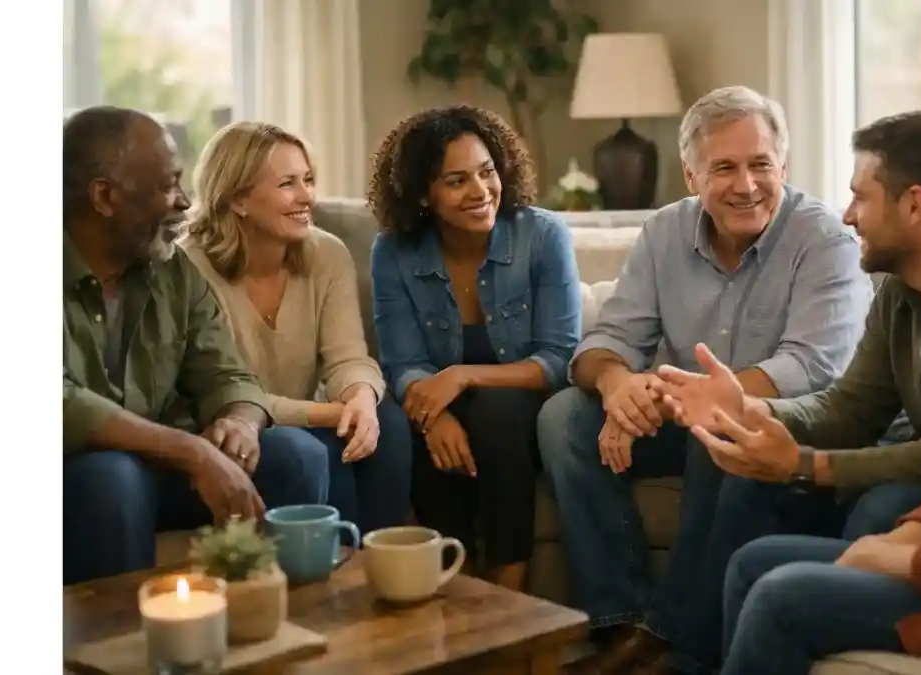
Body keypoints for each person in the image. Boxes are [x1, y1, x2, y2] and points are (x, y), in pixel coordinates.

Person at [652, 110, 921, 674]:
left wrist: (806, 464)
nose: (848, 214)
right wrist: (751, 408)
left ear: (914, 206)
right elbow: (851, 409)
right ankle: (695, 661)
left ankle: (823, 611)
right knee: (747, 478)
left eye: (861, 196)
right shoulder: (898, 290)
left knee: (884, 504)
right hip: (917, 464)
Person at [537, 86, 873, 674]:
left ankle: (672, 641)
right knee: (564, 417)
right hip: (686, 409)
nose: (747, 185)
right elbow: (608, 339)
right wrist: (618, 387)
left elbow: (812, 365)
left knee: (718, 425)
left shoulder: (825, 240)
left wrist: (695, 399)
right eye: (724, 168)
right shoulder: (664, 232)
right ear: (691, 176)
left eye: (760, 164)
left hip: (781, 424)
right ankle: (620, 623)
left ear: (783, 166)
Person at [63, 107, 328, 585]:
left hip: (165, 468)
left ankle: (279, 617)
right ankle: (122, 633)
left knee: (296, 453)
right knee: (112, 476)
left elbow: (227, 373)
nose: (185, 202)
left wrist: (239, 421)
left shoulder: (170, 270)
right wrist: (192, 452)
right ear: (104, 196)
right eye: (168, 185)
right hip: (81, 479)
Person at [368, 105, 582, 591]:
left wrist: (462, 376)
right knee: (408, 427)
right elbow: (403, 363)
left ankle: (510, 589)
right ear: (422, 193)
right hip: (442, 405)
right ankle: (456, 585)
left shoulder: (543, 236)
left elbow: (558, 358)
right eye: (456, 181)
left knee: (495, 411)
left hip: (523, 408)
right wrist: (435, 417)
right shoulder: (393, 251)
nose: (481, 191)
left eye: (487, 172)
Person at [179, 121, 412, 540]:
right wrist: (329, 413)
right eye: (287, 184)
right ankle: (339, 563)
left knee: (386, 422)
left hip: (306, 417)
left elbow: (347, 357)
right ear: (238, 199)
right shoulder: (189, 268)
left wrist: (360, 398)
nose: (307, 197)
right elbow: (222, 393)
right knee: (320, 446)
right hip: (237, 427)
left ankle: (382, 558)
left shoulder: (327, 254)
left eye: (308, 180)